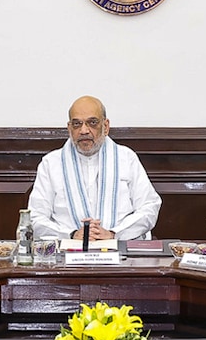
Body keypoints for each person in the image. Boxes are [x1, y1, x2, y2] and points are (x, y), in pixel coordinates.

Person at [28, 96, 162, 241]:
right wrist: (71, 235)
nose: (84, 130)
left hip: (121, 250)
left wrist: (114, 234)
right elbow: (35, 217)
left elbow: (149, 206)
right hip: (66, 253)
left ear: (106, 126)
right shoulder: (51, 163)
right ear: (69, 128)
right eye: (77, 124)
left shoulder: (126, 158)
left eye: (92, 123)